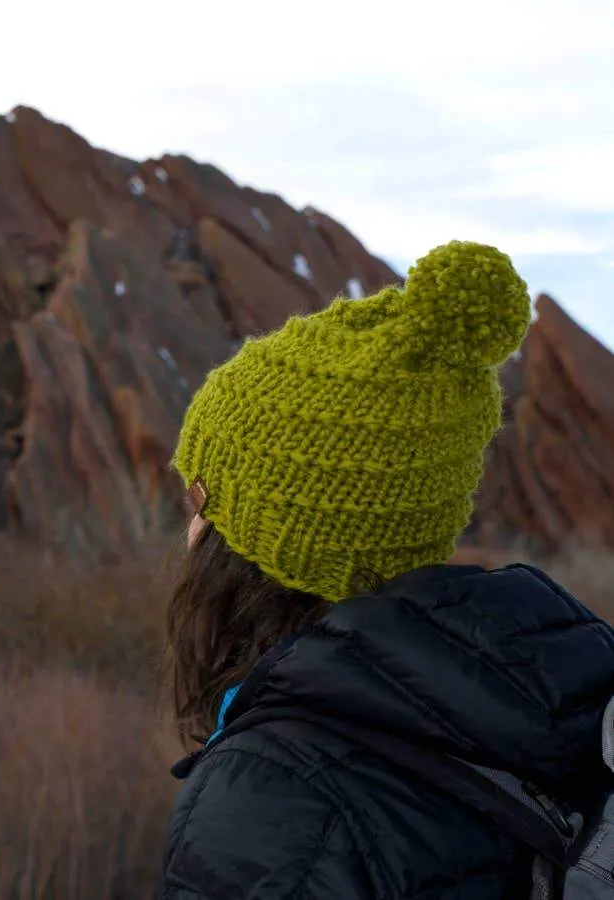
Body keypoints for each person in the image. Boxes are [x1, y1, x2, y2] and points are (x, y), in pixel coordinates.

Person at [159, 241, 614, 899]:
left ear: (274, 545)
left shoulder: (269, 801)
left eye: (201, 498)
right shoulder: (557, 699)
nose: (190, 527)